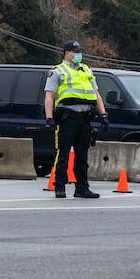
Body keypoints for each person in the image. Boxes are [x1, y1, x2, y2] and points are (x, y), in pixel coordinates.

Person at [44, 40, 109, 199]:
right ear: (67, 53)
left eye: (80, 51)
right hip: (67, 118)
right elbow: (49, 96)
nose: (79, 54)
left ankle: (82, 188)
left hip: (85, 118)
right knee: (63, 153)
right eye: (75, 51)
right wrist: (49, 118)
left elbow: (96, 95)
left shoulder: (86, 70)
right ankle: (60, 187)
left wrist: (104, 115)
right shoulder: (58, 71)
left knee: (82, 155)